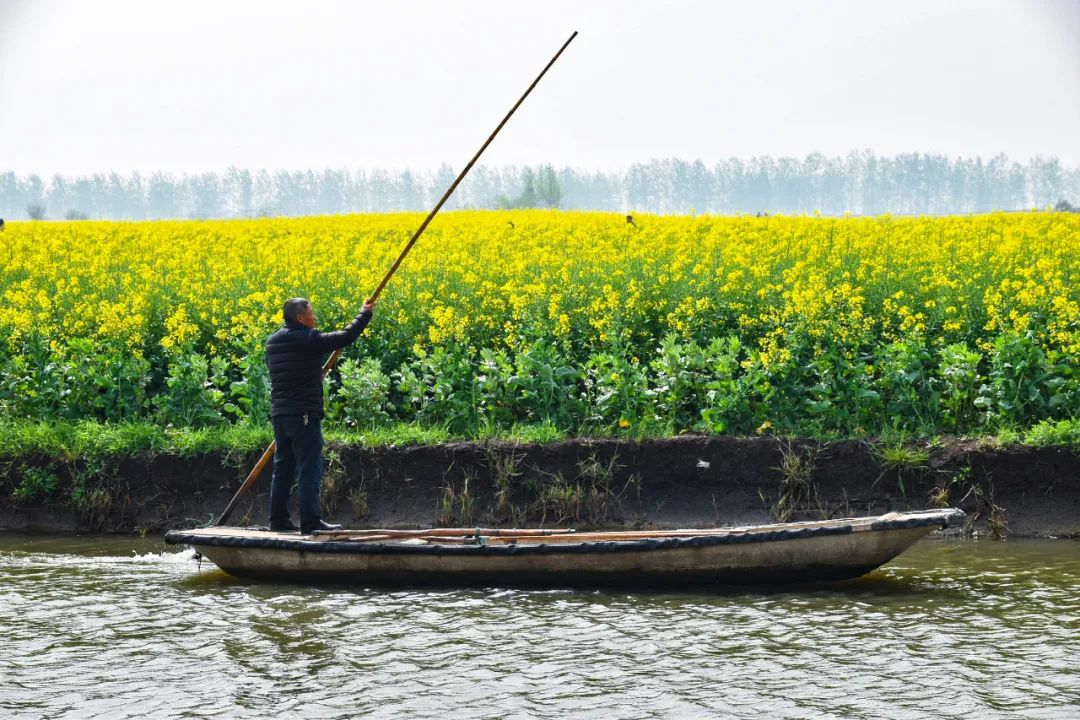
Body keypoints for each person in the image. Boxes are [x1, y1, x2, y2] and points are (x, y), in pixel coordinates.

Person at [266, 296, 375, 533]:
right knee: (309, 468)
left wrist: (311, 374)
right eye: (311, 312)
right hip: (304, 414)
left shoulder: (272, 341)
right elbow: (345, 336)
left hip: (280, 415)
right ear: (299, 317)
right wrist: (364, 313)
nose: (314, 316)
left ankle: (278, 521)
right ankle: (311, 523)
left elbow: (286, 371)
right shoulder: (307, 339)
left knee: (283, 468)